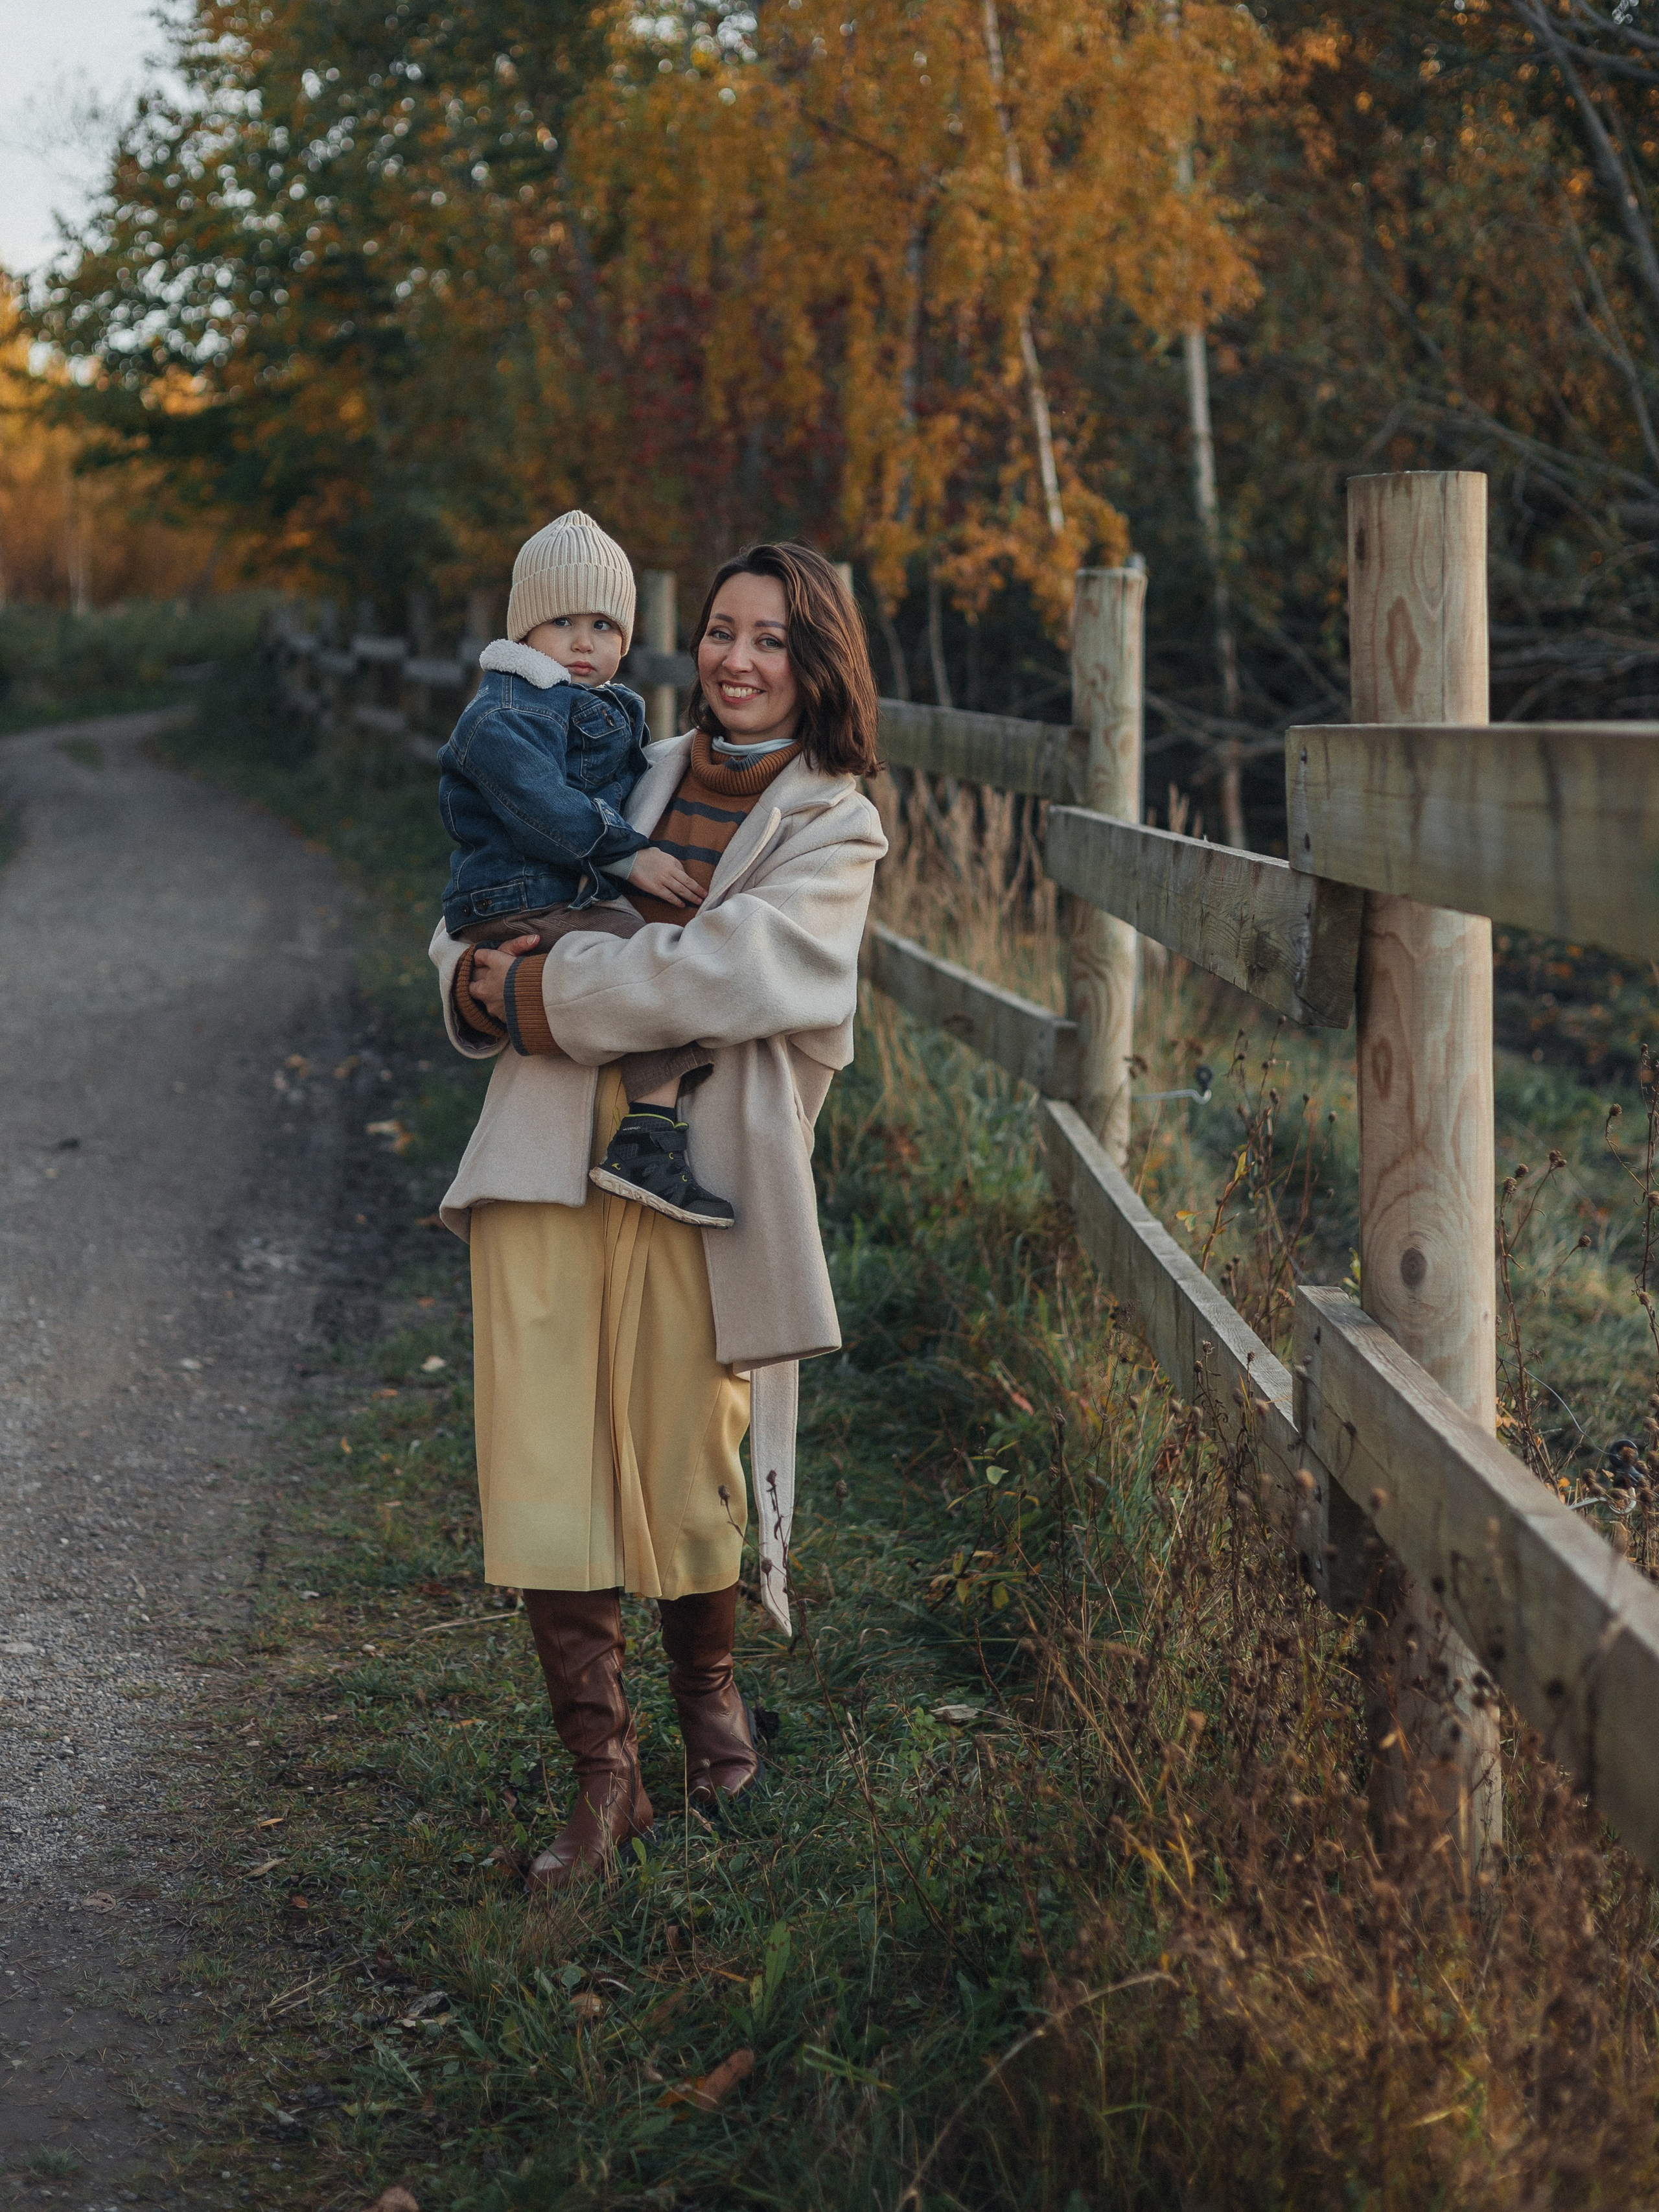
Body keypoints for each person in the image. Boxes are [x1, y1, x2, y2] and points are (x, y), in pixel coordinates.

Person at [429, 542, 886, 1887]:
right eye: (719, 632)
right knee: (542, 1448)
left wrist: (532, 992)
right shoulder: (613, 749)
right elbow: (469, 906)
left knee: (689, 1446)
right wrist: (467, 981)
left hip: (706, 1177)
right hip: (547, 1150)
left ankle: (708, 1702)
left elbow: (723, 975)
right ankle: (604, 1775)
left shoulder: (831, 823)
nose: (736, 660)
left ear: (816, 665)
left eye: (772, 639)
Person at [439, 507, 734, 1229]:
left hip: (559, 892)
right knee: (651, 968)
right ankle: (647, 1137)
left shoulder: (603, 706)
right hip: (523, 896)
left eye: (604, 626)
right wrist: (627, 853)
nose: (584, 642)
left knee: (652, 964)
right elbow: (541, 805)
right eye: (564, 622)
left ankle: (647, 1129)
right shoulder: (502, 714)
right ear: (524, 630)